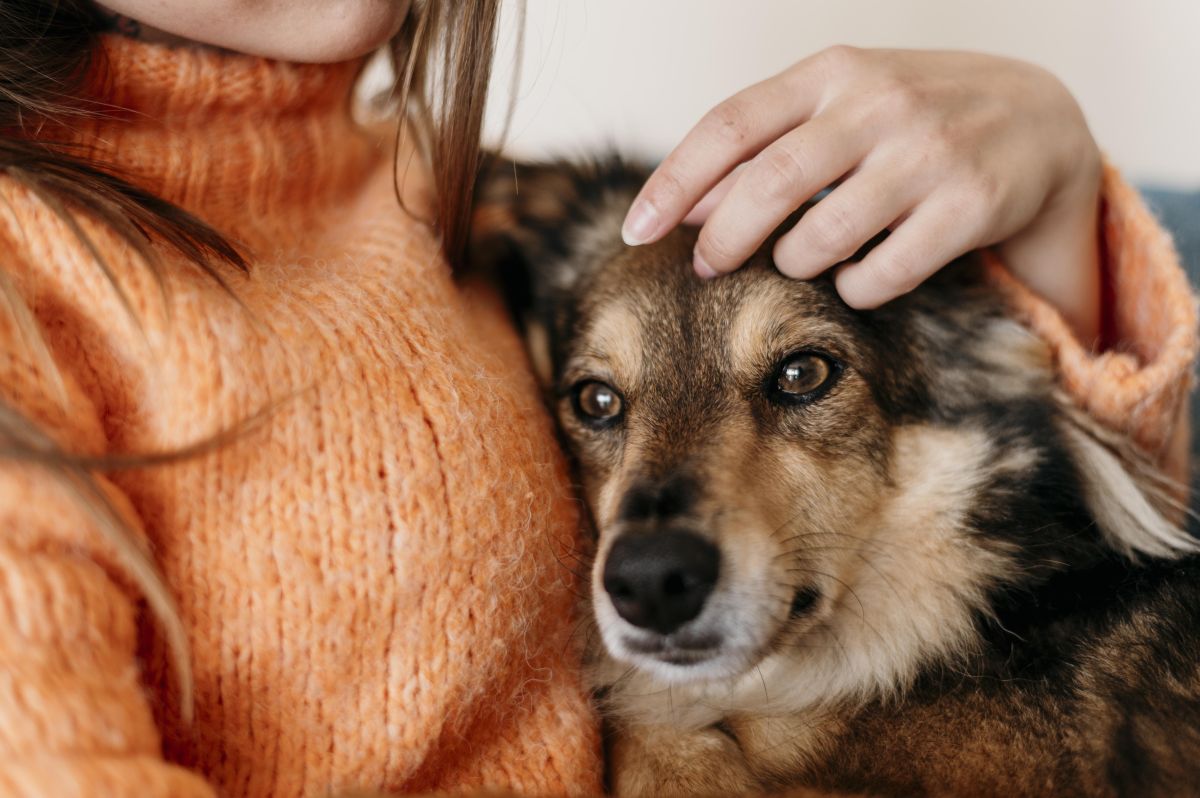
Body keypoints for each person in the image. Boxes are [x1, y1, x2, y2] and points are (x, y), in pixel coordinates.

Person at [0, 2, 1192, 797]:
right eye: (598, 405)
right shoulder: (28, 285)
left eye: (797, 376)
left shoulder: (480, 212)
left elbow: (1070, 540)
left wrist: (1050, 190)